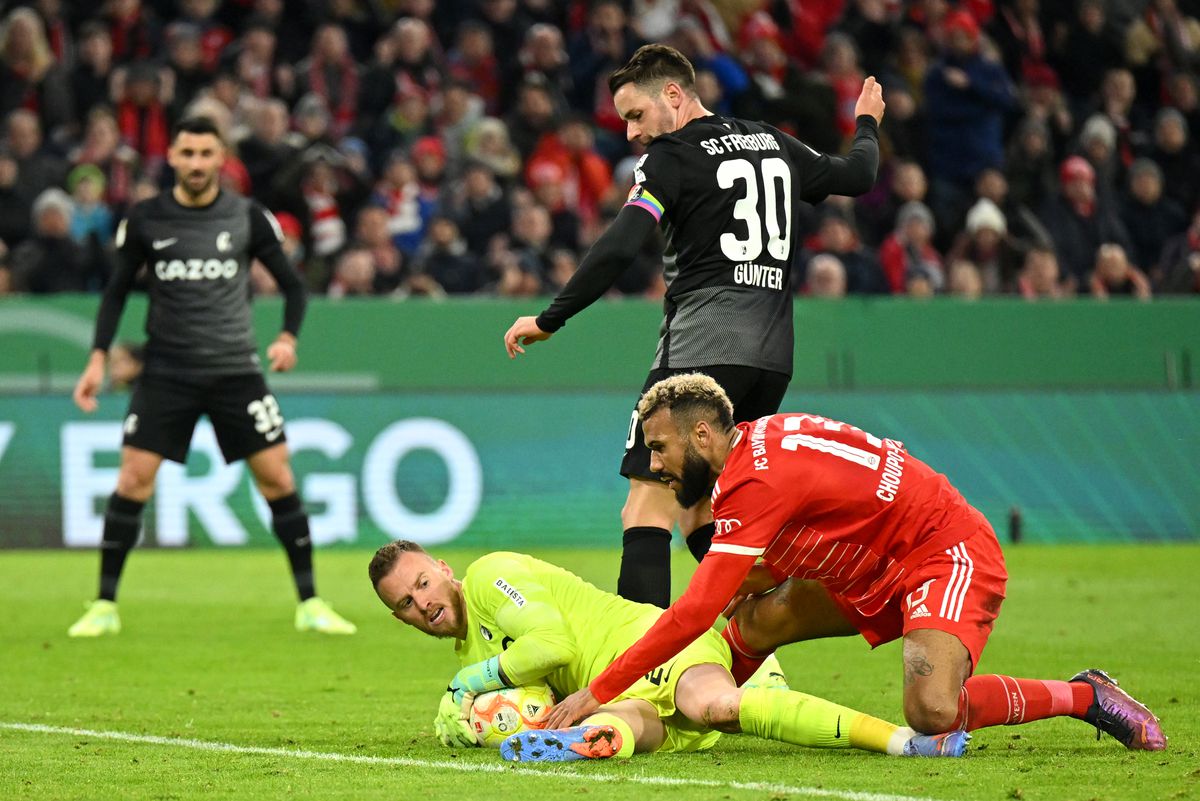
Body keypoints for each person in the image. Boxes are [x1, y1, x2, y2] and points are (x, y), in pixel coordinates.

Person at [544, 373, 1167, 755]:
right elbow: (801, 539)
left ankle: (1084, 695)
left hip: (941, 550)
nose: (654, 465)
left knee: (933, 713)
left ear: (703, 434)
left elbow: (696, 608)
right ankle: (688, 716)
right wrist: (743, 586)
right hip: (868, 568)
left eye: (660, 447)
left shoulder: (753, 482)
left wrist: (599, 689)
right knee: (755, 625)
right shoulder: (758, 445)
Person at [503, 44, 884, 618]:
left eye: (636, 115)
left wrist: (550, 317)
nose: (632, 134)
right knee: (704, 512)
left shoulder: (670, 157)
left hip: (700, 355)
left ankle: (637, 675)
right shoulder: (772, 143)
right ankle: (750, 657)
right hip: (771, 362)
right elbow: (858, 175)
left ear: (674, 97)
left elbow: (622, 242)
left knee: (646, 507)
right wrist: (867, 123)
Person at [67, 116, 356, 638]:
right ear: (172, 158)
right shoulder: (147, 218)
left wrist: (288, 337)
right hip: (166, 372)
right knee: (132, 480)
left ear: (221, 159)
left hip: (234, 371)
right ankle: (104, 605)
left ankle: (311, 602)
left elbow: (294, 287)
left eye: (206, 153)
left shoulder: (247, 217)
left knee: (279, 478)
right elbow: (114, 294)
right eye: (187, 153)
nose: (197, 163)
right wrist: (96, 358)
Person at [368, 540, 967, 762]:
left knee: (718, 708)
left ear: (443, 570)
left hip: (650, 646)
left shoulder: (488, 576)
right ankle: (584, 744)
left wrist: (473, 681)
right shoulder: (467, 643)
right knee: (627, 724)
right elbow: (527, 692)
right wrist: (471, 723)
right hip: (603, 694)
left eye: (421, 584)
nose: (420, 604)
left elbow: (551, 645)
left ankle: (904, 742)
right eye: (404, 605)